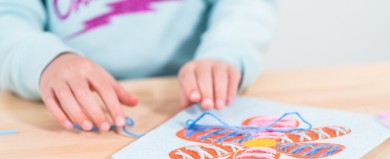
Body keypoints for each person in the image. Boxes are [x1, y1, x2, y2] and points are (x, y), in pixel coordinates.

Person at [0, 0, 279, 131]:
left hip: (184, 101)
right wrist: (46, 59)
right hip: (59, 107)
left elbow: (247, 6)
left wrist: (226, 50)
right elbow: (9, 16)